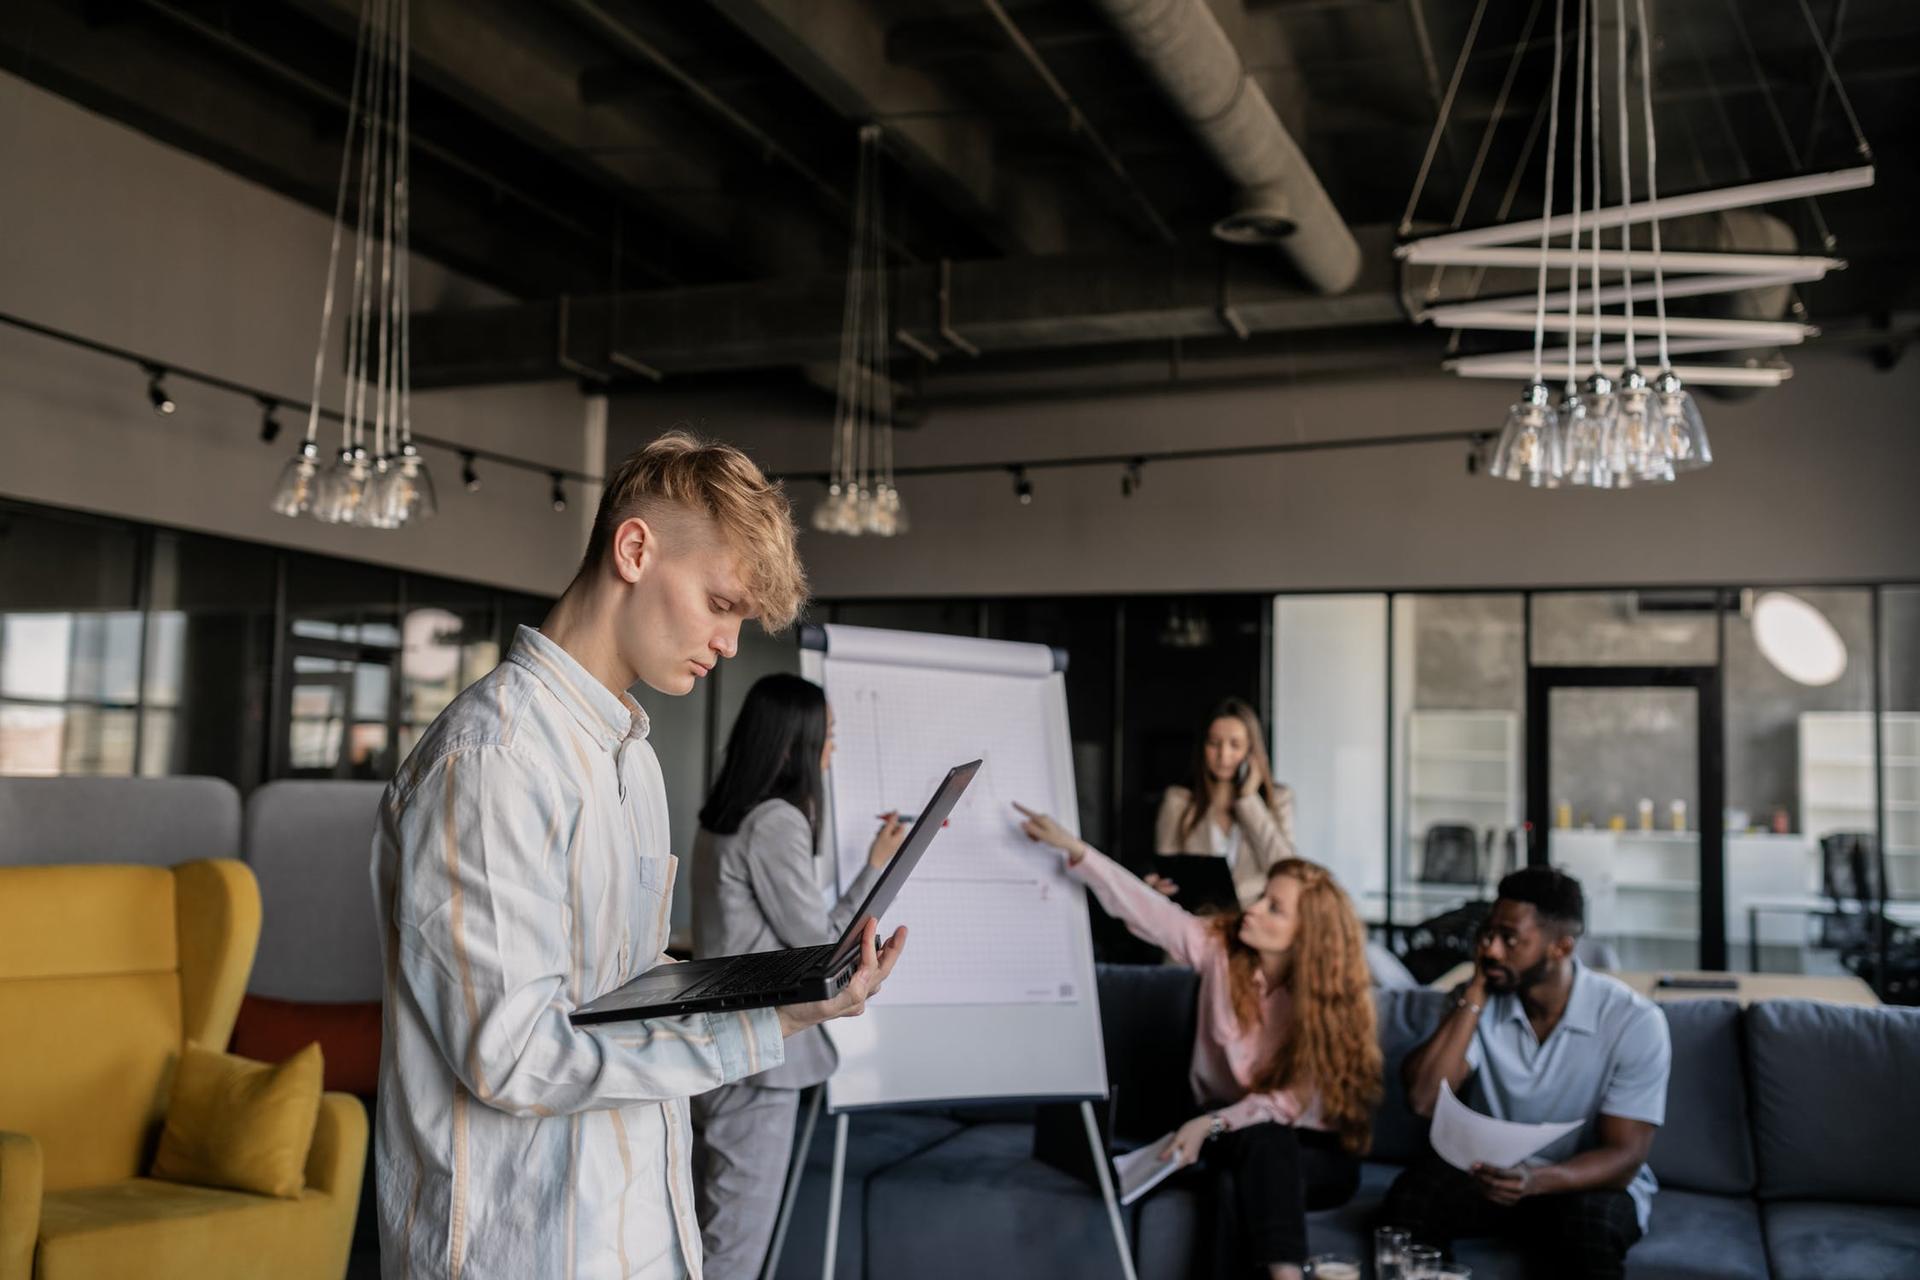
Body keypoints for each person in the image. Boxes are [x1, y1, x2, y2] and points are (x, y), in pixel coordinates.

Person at [372, 432, 907, 1280]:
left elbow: (626, 984)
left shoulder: (632, 756)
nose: (731, 643)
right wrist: (769, 1024)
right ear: (633, 549)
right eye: (721, 603)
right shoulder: (492, 760)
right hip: (523, 1254)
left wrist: (782, 992)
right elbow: (513, 1056)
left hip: (637, 1232)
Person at [1014, 802, 1381, 1280]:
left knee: (1248, 1164)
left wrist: (1208, 1124)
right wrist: (1078, 851)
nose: (1252, 908)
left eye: (1274, 906)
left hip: (1316, 1154)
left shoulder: (1332, 1003)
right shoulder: (1220, 949)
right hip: (1229, 1137)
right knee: (1246, 1157)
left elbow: (1289, 1105)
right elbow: (1151, 913)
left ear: (1306, 936)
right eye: (1262, 896)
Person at [688, 674, 908, 1278]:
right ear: (796, 744)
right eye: (828, 738)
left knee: (702, 1239)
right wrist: (875, 870)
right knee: (734, 1251)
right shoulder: (777, 821)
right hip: (761, 1060)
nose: (831, 753)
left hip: (717, 1054)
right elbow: (820, 950)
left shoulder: (722, 818)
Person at [1385, 866, 1671, 1280]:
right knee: (1410, 1200)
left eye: (1510, 939)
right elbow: (1423, 1099)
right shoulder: (1477, 1002)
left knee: (1590, 1232)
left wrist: (1536, 1180)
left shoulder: (1633, 1021)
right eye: (1488, 934)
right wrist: (1476, 993)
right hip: (1488, 1175)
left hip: (1579, 1183)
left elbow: (1624, 1157)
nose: (1491, 950)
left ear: (1561, 947)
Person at [1151, 697, 1297, 908]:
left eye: (1235, 745)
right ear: (1202, 746)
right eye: (1214, 743)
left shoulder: (1279, 799)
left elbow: (1284, 869)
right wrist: (1157, 888)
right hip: (1197, 923)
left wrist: (1248, 799)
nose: (1223, 755)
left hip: (1254, 922)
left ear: (1251, 751)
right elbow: (1168, 873)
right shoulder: (1178, 801)